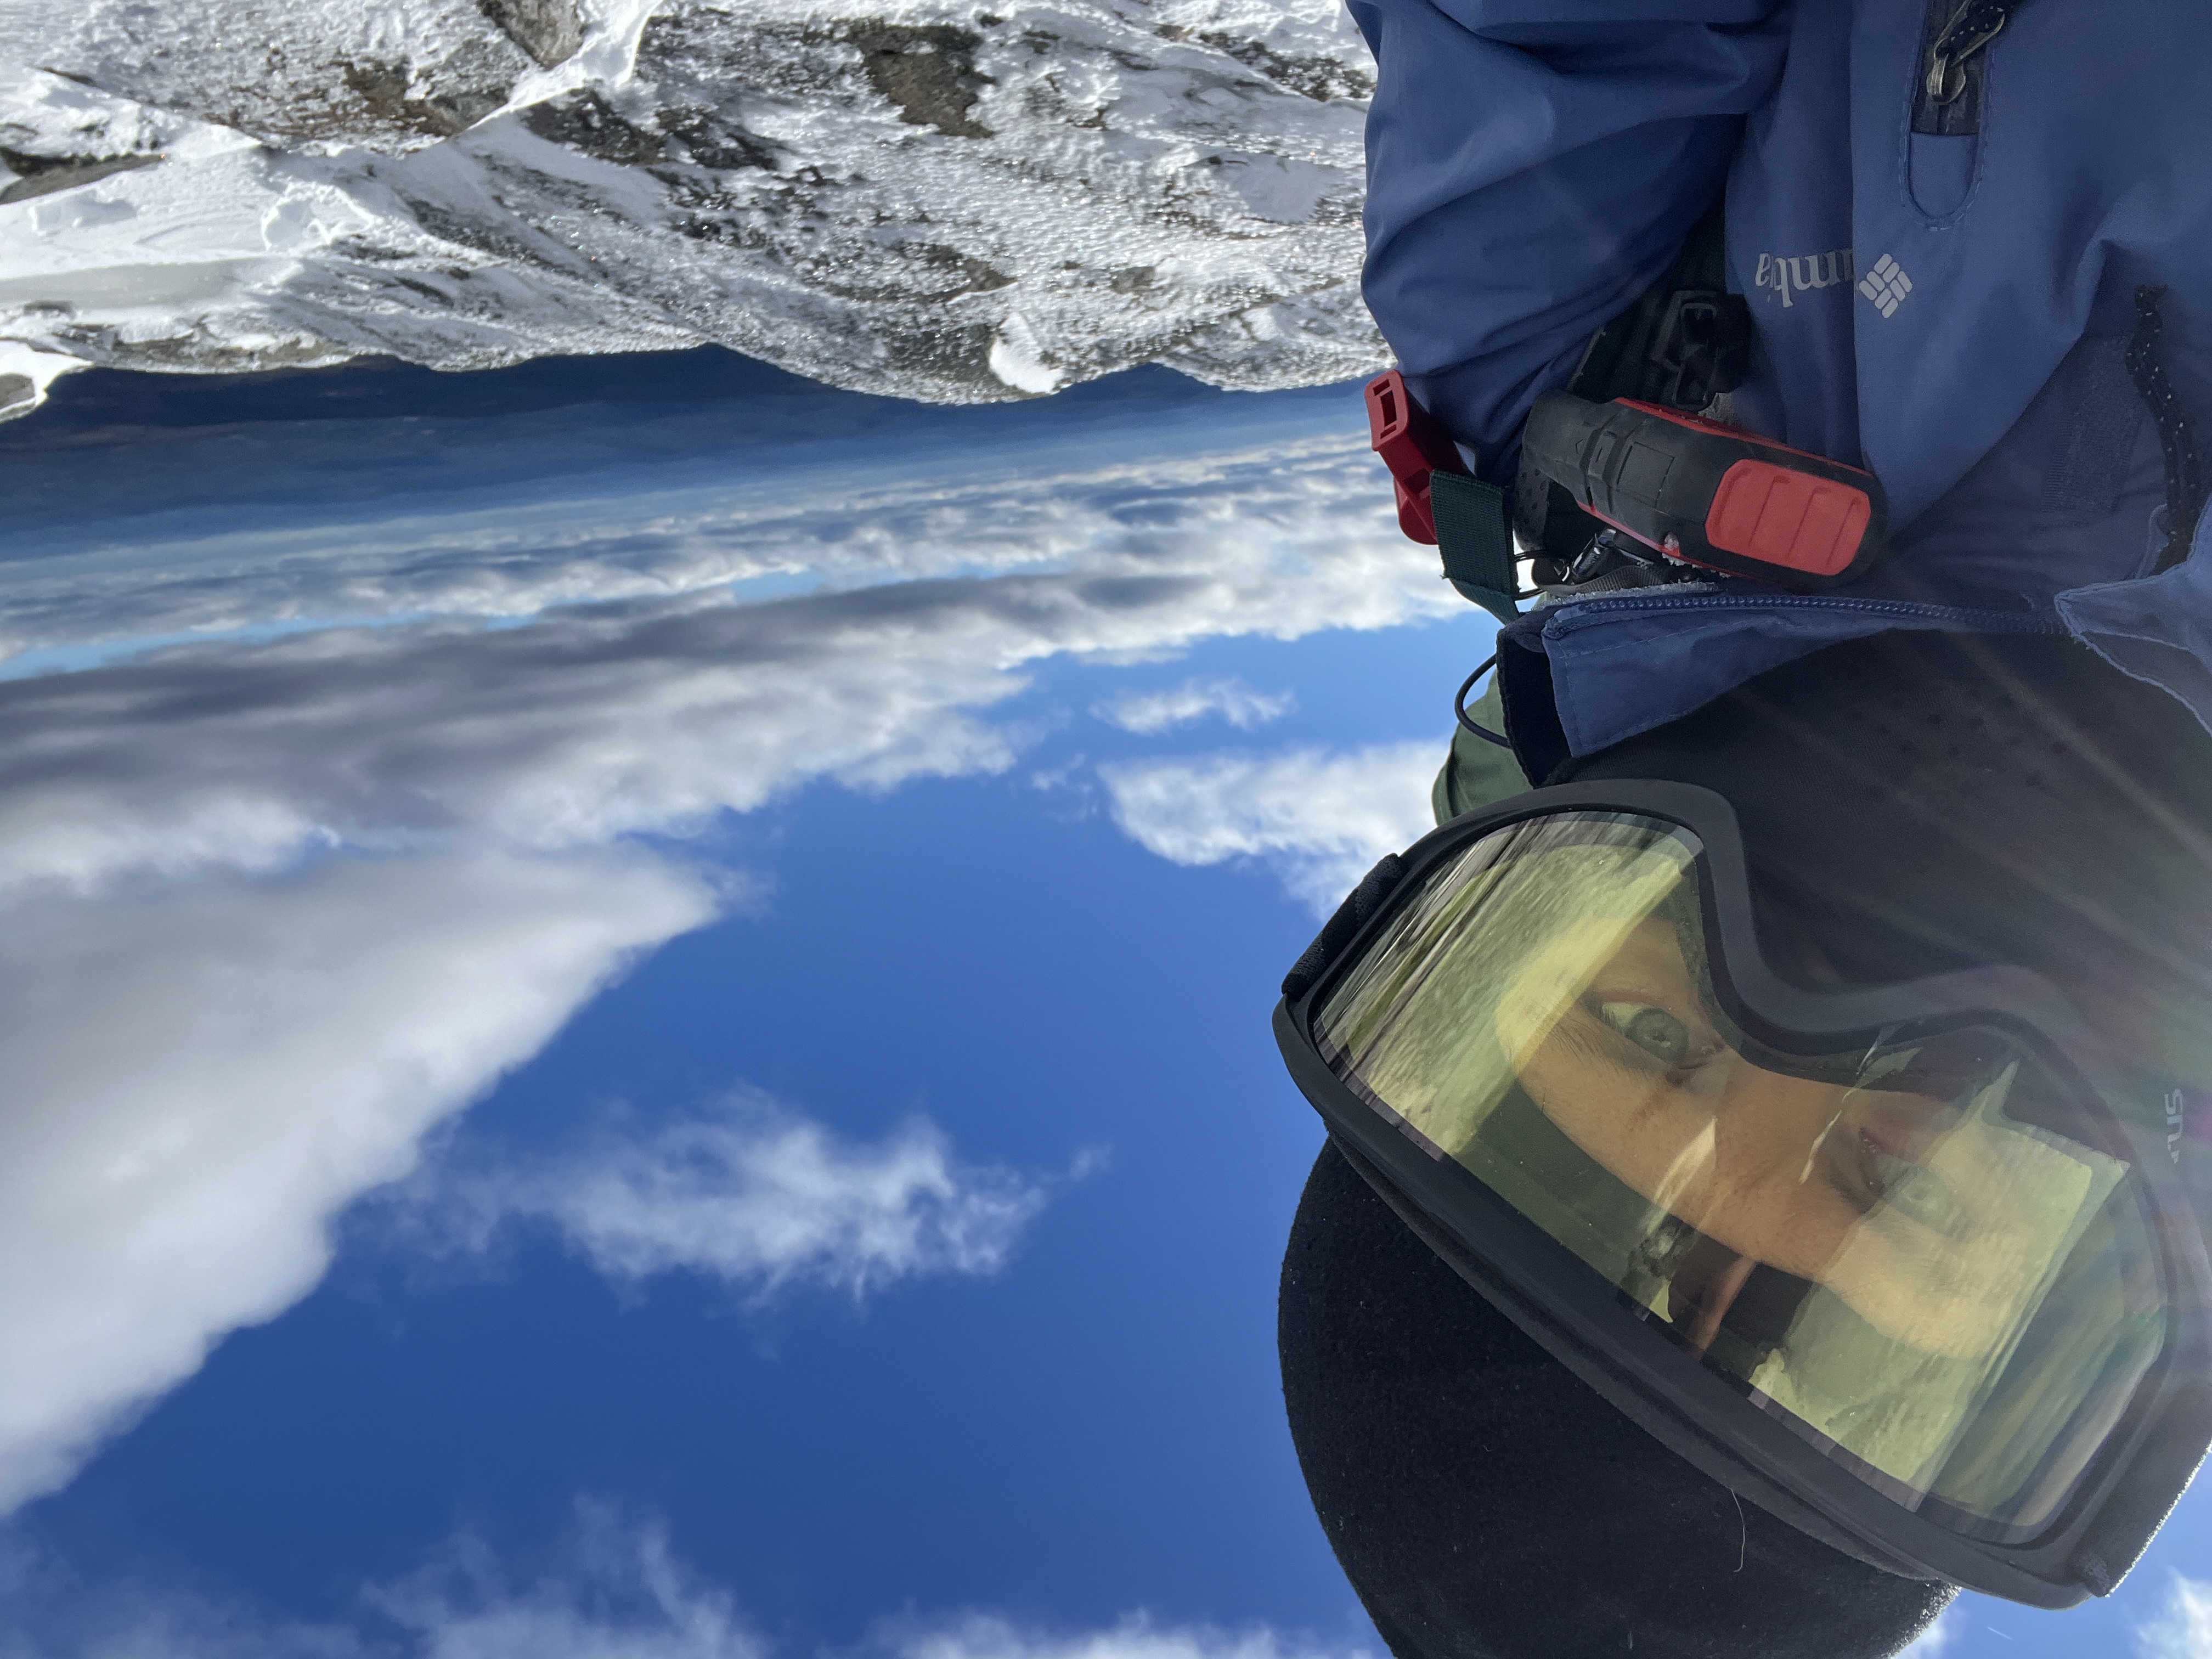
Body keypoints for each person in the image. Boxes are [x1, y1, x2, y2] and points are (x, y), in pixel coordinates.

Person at [1274, 3, 2212, 1654]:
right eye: (1907, 1195)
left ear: (1507, 918)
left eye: (1645, 1028)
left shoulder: (1562, 357)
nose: (1813, 1022)